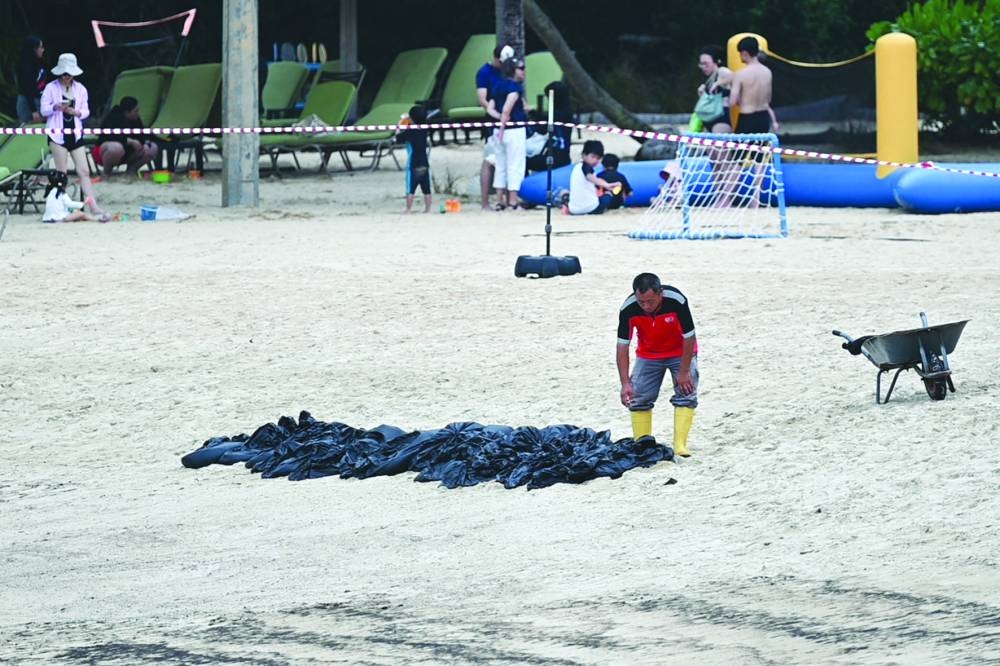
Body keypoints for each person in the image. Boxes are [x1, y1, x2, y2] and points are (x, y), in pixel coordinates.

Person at [617, 273, 699, 457]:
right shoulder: (628, 308)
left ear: (660, 293)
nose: (645, 306)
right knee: (637, 398)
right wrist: (625, 383)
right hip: (648, 354)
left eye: (650, 301)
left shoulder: (677, 301)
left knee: (686, 393)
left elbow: (689, 337)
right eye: (641, 302)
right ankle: (642, 445)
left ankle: (680, 446)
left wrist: (684, 371)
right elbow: (622, 346)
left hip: (681, 352)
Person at [40, 53, 107, 221]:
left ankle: (93, 205)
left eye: (69, 73)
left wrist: (75, 112)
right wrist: (56, 107)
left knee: (84, 171)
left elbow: (86, 111)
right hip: (57, 134)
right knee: (61, 173)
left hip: (76, 133)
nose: (67, 76)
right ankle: (60, 206)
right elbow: (43, 111)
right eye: (64, 73)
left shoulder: (80, 89)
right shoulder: (51, 88)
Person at [487, 57, 528, 211]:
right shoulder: (515, 88)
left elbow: (490, 108)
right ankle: (512, 201)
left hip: (499, 130)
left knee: (501, 164)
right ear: (514, 70)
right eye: (521, 68)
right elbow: (507, 108)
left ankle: (499, 200)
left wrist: (499, 120)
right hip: (513, 130)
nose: (524, 71)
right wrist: (504, 119)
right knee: (515, 165)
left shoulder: (497, 85)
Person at [476, 44, 513, 210]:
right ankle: (485, 202)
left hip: (509, 123)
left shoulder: (507, 72)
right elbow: (482, 99)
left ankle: (506, 199)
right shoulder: (484, 73)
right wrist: (497, 114)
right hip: (494, 121)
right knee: (490, 160)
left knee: (507, 161)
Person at [95, 96, 158, 179]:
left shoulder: (136, 119)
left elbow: (142, 135)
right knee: (116, 148)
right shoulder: (112, 117)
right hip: (104, 152)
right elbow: (108, 136)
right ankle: (106, 173)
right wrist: (129, 141)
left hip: (127, 153)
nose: (138, 113)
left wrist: (144, 144)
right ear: (127, 112)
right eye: (136, 111)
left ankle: (131, 171)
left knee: (152, 148)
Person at [730, 36, 779, 135]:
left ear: (744, 53)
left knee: (738, 149)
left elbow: (732, 101)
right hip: (763, 118)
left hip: (747, 117)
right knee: (759, 149)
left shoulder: (740, 74)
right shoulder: (767, 72)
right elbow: (768, 99)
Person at [397, 104, 432, 214]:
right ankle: (428, 209)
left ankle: (408, 209)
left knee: (410, 188)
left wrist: (400, 123)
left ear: (411, 119)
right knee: (426, 188)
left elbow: (398, 137)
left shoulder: (409, 132)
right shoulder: (424, 129)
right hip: (425, 163)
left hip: (413, 163)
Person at [567, 139, 618, 215]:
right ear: (584, 155)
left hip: (573, 210)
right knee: (608, 195)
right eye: (593, 157)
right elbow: (590, 177)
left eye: (598, 158)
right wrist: (606, 185)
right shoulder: (586, 167)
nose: (595, 160)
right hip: (591, 208)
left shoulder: (576, 167)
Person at [694, 45, 733, 133]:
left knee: (718, 146)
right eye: (701, 64)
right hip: (708, 119)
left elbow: (735, 77)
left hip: (720, 121)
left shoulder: (722, 71)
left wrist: (719, 83)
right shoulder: (709, 80)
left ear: (716, 61)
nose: (703, 67)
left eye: (706, 63)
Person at [15, 36, 47, 124]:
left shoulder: (39, 62)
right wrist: (34, 110)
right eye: (41, 47)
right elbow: (27, 89)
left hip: (40, 100)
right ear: (34, 49)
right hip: (29, 103)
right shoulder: (25, 66)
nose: (42, 50)